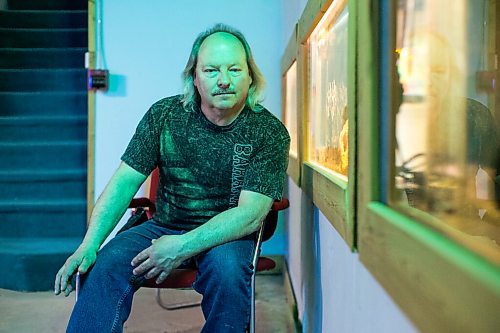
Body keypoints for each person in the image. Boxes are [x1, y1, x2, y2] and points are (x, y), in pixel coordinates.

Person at [54, 23, 290, 332]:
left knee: (228, 273)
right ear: (194, 76)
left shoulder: (269, 132)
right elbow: (125, 181)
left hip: (227, 233)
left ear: (250, 76)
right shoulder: (163, 116)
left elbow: (249, 215)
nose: (223, 80)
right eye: (211, 70)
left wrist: (181, 246)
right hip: (164, 223)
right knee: (104, 265)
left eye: (234, 69)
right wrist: (88, 244)